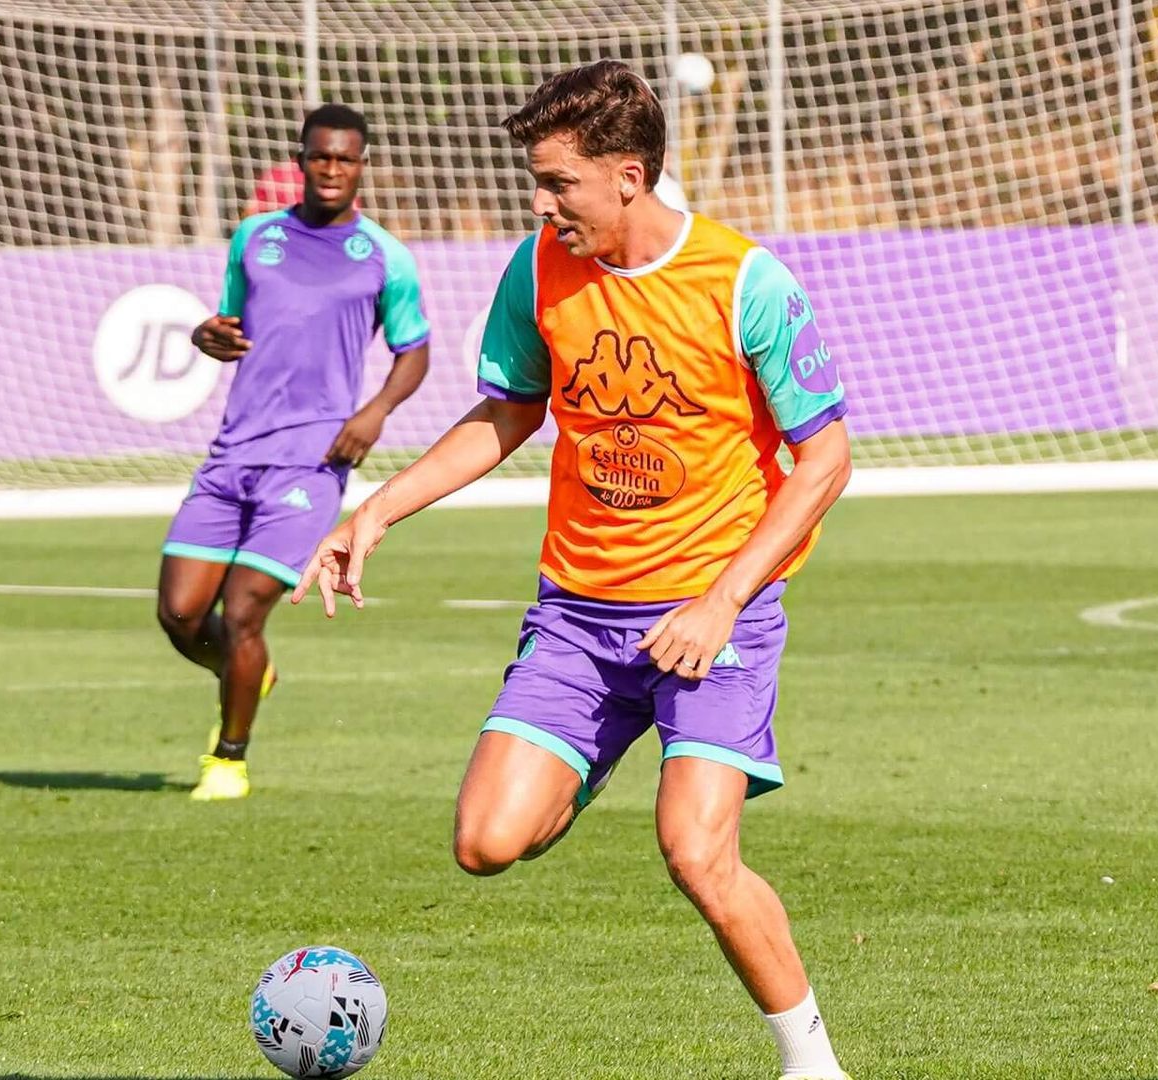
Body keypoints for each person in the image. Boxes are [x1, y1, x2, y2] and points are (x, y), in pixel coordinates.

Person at [294, 62, 854, 1079]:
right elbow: (509, 413)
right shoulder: (538, 269)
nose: (542, 205)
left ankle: (813, 1066)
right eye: (537, 184)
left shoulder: (745, 283)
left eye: (560, 184)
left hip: (712, 615)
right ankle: (593, 748)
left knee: (695, 852)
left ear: (630, 176)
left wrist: (723, 600)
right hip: (579, 620)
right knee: (485, 843)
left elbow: (827, 460)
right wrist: (375, 507)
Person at [161, 104, 432, 802]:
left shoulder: (384, 256)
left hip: (311, 463)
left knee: (244, 613)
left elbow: (414, 351)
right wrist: (205, 336)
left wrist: (374, 413)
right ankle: (250, 672)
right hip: (233, 453)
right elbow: (227, 327)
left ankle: (229, 759)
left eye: (345, 158)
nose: (332, 169)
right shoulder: (255, 238)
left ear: (362, 164)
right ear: (302, 160)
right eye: (320, 157)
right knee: (181, 615)